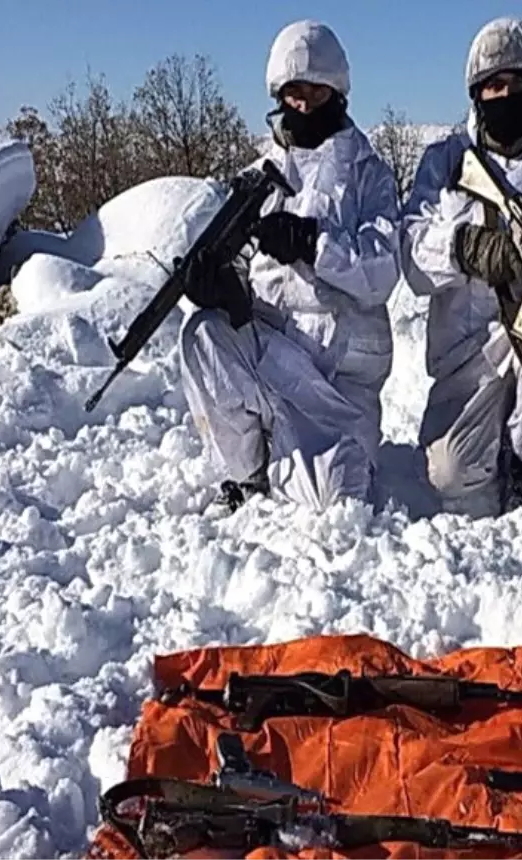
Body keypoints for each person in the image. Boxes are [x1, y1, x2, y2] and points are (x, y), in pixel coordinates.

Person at [178, 19, 400, 512]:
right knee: (202, 334)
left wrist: (313, 242)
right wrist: (222, 290)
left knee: (337, 503)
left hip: (337, 384)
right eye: (293, 93)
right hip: (272, 353)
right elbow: (235, 263)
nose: (302, 105)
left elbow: (383, 270)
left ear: (337, 92)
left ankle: (306, 450)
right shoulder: (258, 179)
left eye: (315, 93)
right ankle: (248, 472)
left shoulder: (370, 175)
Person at [400, 16, 522, 518]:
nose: (503, 95)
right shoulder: (445, 163)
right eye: (492, 86)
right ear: (475, 95)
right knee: (448, 474)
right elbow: (410, 251)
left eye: (514, 84)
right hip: (468, 357)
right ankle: (489, 443)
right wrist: (466, 248)